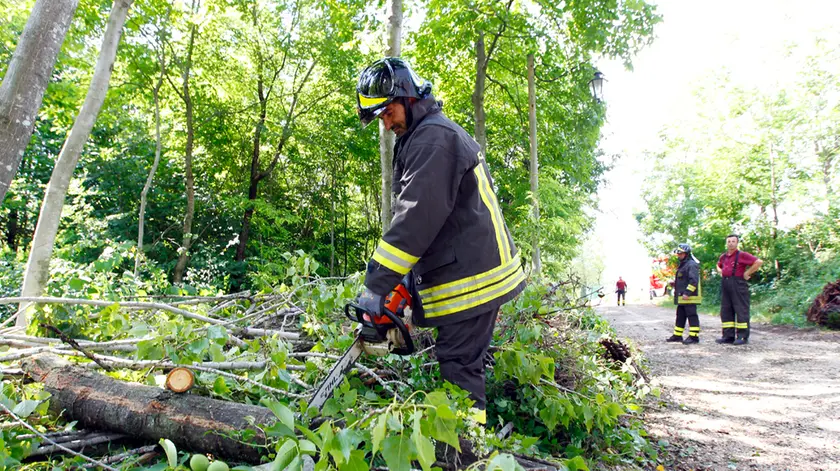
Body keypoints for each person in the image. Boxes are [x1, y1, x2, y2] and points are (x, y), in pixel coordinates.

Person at [354, 57, 526, 424]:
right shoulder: (423, 135)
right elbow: (433, 227)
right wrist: (403, 288)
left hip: (473, 278)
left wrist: (375, 286)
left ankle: (466, 456)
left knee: (459, 372)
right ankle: (469, 448)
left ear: (408, 96)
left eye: (387, 111)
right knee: (461, 367)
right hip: (465, 268)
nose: (385, 122)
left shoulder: (434, 139)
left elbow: (415, 220)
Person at [716, 234, 763, 345]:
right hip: (725, 283)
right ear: (726, 243)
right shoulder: (723, 257)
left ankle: (742, 337)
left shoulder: (742, 255)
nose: (731, 243)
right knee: (726, 310)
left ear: (737, 243)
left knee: (741, 309)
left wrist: (747, 273)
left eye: (733, 241)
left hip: (738, 283)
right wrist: (720, 271)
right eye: (729, 241)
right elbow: (718, 265)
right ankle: (728, 336)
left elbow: (759, 262)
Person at [665, 243, 702, 344]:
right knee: (680, 316)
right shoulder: (683, 265)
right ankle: (677, 335)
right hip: (682, 297)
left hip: (689, 297)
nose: (679, 255)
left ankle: (694, 337)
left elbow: (693, 281)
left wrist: (687, 293)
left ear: (686, 254)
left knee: (692, 315)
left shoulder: (691, 264)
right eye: (678, 254)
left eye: (681, 253)